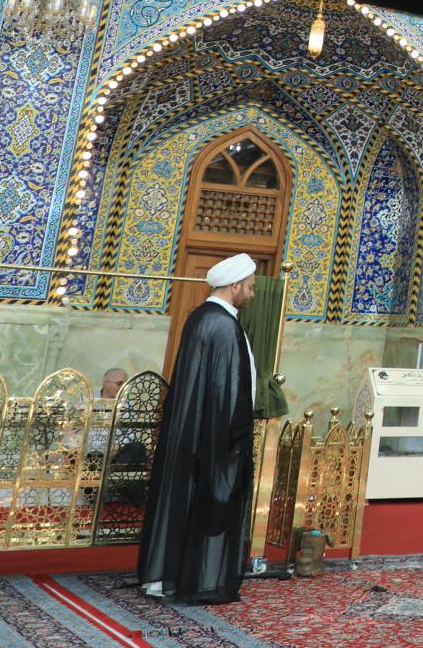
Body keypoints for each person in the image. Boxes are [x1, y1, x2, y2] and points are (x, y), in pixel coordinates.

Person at [137, 254, 259, 604]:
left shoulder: (200, 318)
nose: (251, 295)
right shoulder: (221, 324)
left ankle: (166, 576)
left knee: (184, 503)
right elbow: (226, 389)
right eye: (249, 288)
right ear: (234, 286)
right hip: (212, 436)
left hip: (194, 434)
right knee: (205, 504)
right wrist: (234, 437)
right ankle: (196, 578)